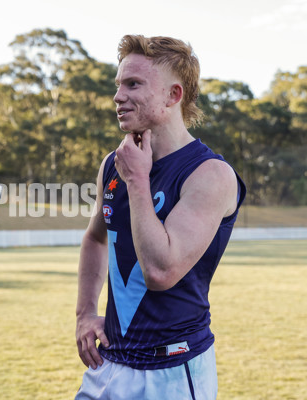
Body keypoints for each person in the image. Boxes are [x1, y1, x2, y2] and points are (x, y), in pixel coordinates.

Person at [75, 35, 246, 400]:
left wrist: (137, 180)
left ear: (173, 96)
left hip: (173, 373)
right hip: (107, 365)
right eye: (118, 85)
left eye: (133, 84)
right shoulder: (113, 163)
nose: (118, 96)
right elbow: (95, 237)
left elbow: (160, 272)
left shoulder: (211, 175)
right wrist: (85, 313)